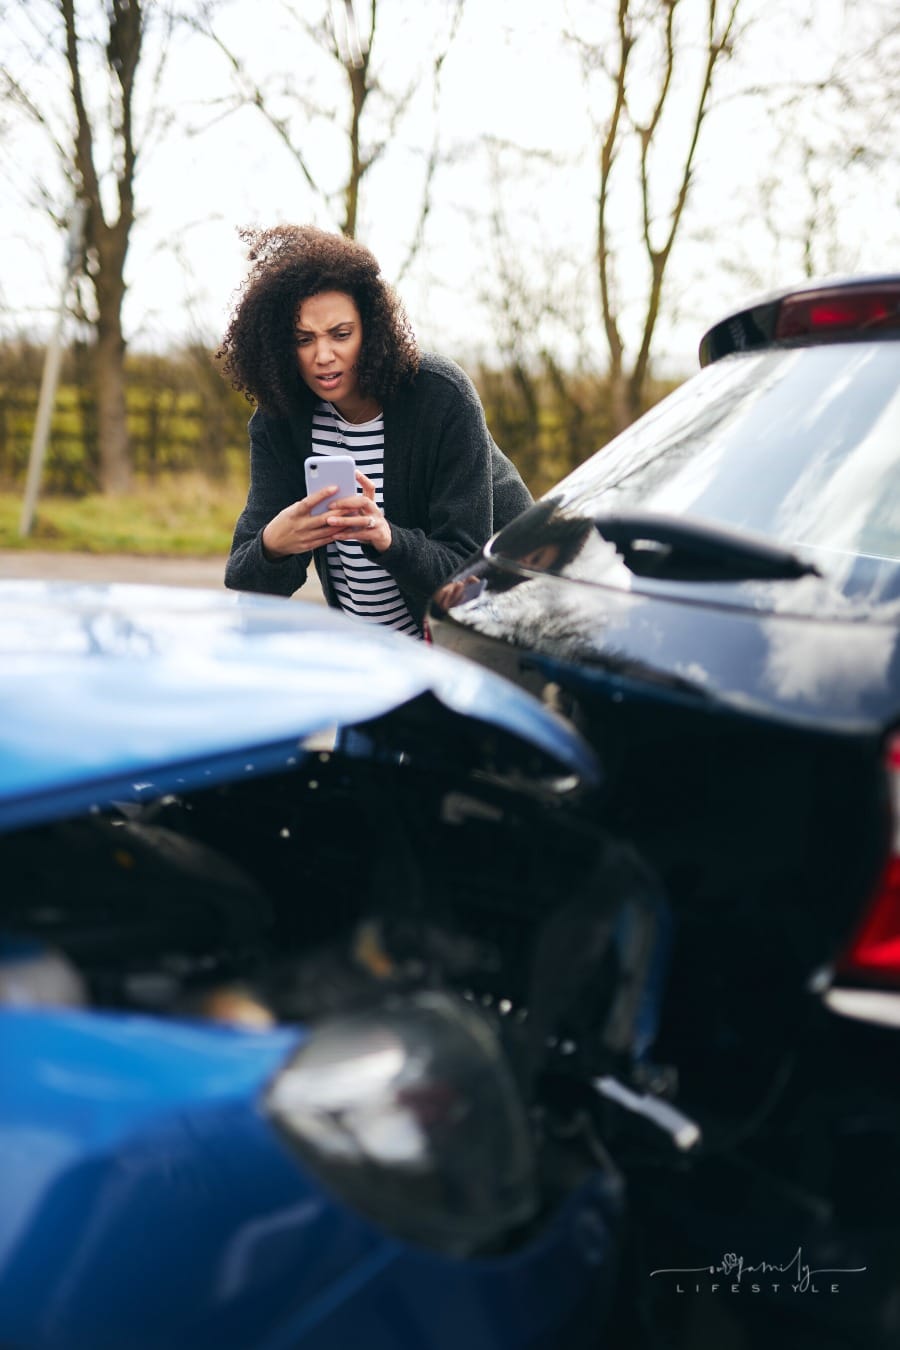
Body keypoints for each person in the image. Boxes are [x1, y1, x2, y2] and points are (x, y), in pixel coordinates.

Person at [218, 225, 533, 638]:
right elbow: (244, 579)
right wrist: (274, 545)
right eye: (303, 339)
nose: (323, 356)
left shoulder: (441, 398)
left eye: (340, 334)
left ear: (371, 329)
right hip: (376, 652)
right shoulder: (281, 419)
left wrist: (386, 538)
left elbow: (466, 574)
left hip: (499, 630)